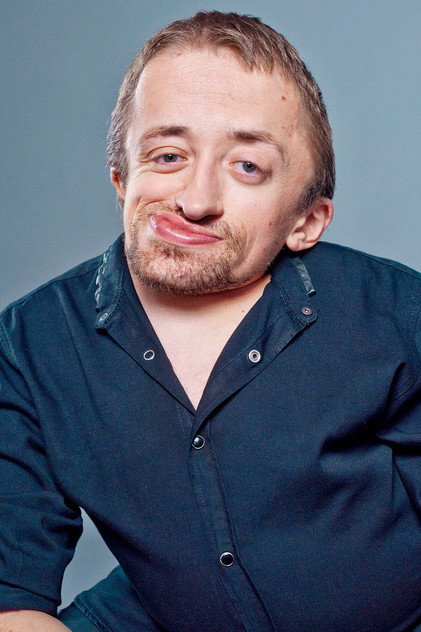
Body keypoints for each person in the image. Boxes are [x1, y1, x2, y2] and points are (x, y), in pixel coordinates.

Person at [0, 10, 419, 632]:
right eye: (168, 155)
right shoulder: (30, 344)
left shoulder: (394, 314)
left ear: (305, 221)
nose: (195, 201)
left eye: (247, 166)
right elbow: (12, 599)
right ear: (122, 179)